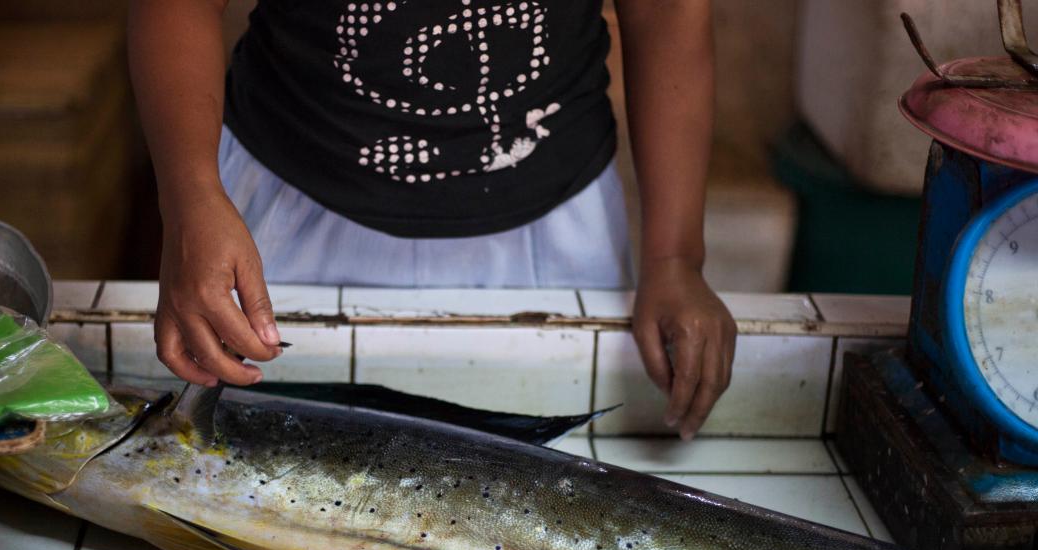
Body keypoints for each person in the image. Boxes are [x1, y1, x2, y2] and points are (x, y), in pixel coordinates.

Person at [128, 0, 737, 440]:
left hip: (553, 228)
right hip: (285, 213)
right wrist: (191, 198)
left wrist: (676, 258)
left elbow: (667, 12)